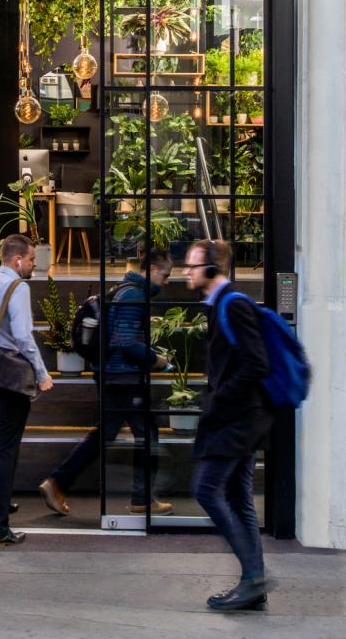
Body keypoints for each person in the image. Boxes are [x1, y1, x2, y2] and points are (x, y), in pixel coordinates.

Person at [38, 247, 173, 517]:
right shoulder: (134, 295)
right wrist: (156, 360)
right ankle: (142, 498)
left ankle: (58, 482)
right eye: (166, 275)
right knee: (147, 433)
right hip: (124, 377)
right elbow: (128, 344)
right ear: (153, 270)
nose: (167, 281)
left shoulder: (123, 290)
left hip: (110, 374)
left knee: (106, 434)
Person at [183, 238, 271, 611]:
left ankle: (254, 577)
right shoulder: (221, 305)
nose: (186, 272)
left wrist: (217, 402)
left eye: (192, 265)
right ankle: (254, 583)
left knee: (206, 490)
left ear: (211, 270)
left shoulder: (232, 306)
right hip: (242, 419)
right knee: (239, 498)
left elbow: (256, 365)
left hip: (236, 421)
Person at [0, 233, 52, 547]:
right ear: (18, 261)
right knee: (7, 447)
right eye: (31, 259)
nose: (33, 265)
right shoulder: (18, 287)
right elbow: (23, 337)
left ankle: (0, 504)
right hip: (10, 378)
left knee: (3, 443)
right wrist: (42, 374)